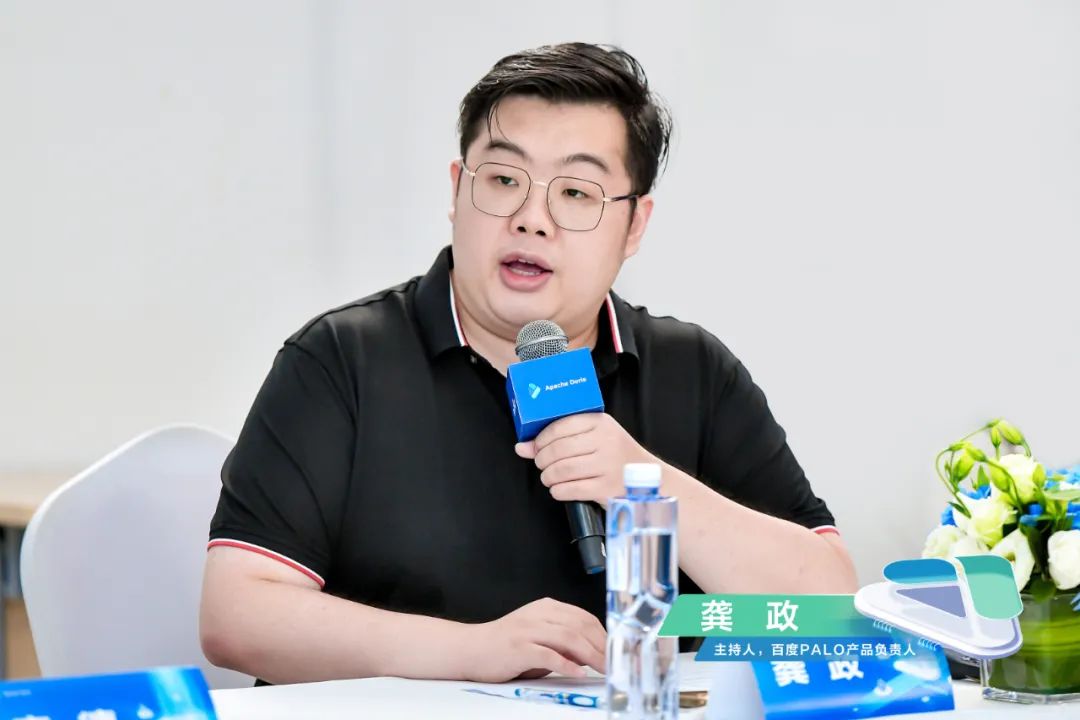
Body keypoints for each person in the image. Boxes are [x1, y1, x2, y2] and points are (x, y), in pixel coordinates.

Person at [199, 42, 857, 686]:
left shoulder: (694, 372)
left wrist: (645, 485)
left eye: (576, 192)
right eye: (504, 180)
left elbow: (830, 612)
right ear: (457, 191)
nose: (532, 219)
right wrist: (468, 651)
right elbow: (238, 617)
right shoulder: (341, 360)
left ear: (634, 226)